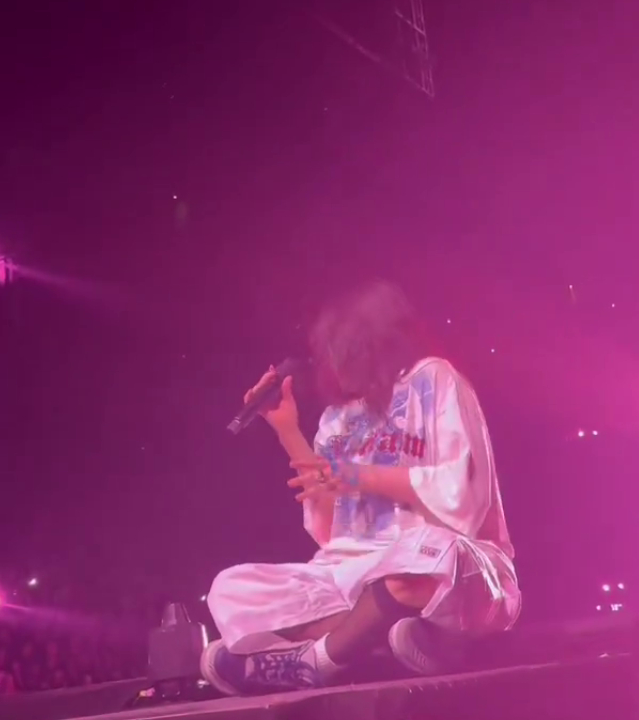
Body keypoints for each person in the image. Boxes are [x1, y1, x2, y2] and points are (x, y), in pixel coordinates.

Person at [201, 279, 519, 695]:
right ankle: (390, 640)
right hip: (358, 580)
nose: (328, 360)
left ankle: (318, 659)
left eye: (335, 344)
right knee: (232, 587)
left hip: (443, 565)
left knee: (424, 553)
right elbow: (333, 534)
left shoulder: (434, 379)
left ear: (368, 339)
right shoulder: (336, 418)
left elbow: (463, 493)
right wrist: (287, 431)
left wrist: (359, 476)